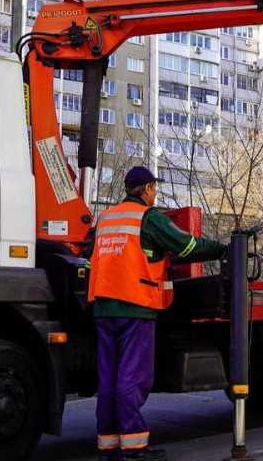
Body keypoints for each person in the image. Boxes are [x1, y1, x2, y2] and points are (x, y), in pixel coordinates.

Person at [88, 166, 227, 460]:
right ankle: (135, 447)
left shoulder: (105, 218)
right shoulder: (148, 218)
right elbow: (186, 246)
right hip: (135, 307)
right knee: (132, 377)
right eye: (155, 187)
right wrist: (222, 249)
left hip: (102, 307)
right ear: (148, 188)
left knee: (109, 378)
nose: (156, 192)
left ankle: (108, 445)